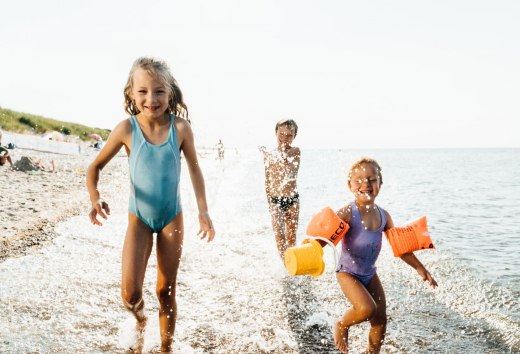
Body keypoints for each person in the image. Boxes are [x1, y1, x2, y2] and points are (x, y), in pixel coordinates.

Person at [86, 57, 215, 353]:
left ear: (170, 93)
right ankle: (141, 321)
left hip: (172, 217)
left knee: (165, 290)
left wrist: (203, 211)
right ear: (131, 93)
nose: (151, 99)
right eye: (142, 91)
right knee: (130, 294)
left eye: (158, 91)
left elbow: (195, 170)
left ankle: (165, 348)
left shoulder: (180, 128)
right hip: (139, 220)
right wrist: (95, 197)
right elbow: (94, 167)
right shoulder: (126, 129)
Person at [333, 157, 437, 353]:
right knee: (366, 309)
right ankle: (341, 324)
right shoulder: (348, 212)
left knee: (380, 321)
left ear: (380, 183)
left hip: (369, 274)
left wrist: (419, 267)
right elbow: (326, 235)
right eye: (359, 180)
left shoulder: (384, 216)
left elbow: (400, 247)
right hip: (347, 273)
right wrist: (312, 248)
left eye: (372, 179)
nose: (366, 184)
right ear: (350, 185)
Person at [259, 119, 301, 259]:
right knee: (279, 236)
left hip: (292, 200)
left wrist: (269, 154)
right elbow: (267, 180)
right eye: (281, 134)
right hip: (275, 200)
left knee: (291, 236)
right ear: (276, 133)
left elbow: (288, 166)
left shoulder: (295, 152)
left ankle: (293, 266)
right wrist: (269, 202)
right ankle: (285, 266)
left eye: (289, 135)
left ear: (294, 136)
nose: (285, 138)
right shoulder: (269, 156)